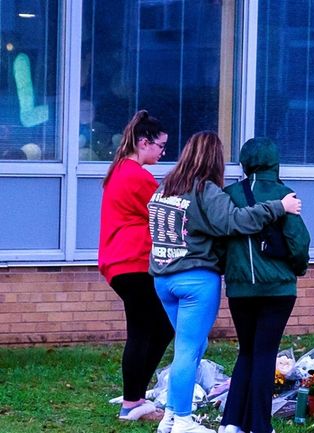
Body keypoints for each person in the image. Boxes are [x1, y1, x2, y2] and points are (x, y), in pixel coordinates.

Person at [148, 131, 301, 433]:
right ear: (213, 159)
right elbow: (236, 222)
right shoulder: (205, 191)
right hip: (194, 280)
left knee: (189, 345)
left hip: (162, 279)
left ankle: (169, 415)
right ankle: (182, 420)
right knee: (188, 349)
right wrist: (279, 207)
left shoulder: (164, 189)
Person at [218, 138, 311, 433]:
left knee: (246, 351)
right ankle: (259, 425)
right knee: (265, 353)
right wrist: (297, 269)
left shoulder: (228, 194)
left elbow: (219, 243)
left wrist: (230, 270)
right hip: (278, 289)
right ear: (274, 162)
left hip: (240, 288)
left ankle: (232, 422)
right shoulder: (285, 195)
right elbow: (299, 242)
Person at [98, 110, 174, 421]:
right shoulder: (138, 176)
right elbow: (164, 214)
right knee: (150, 330)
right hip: (134, 262)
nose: (162, 152)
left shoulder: (119, 170)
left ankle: (136, 394)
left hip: (119, 262)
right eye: (161, 146)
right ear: (143, 142)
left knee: (151, 328)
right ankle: (132, 402)